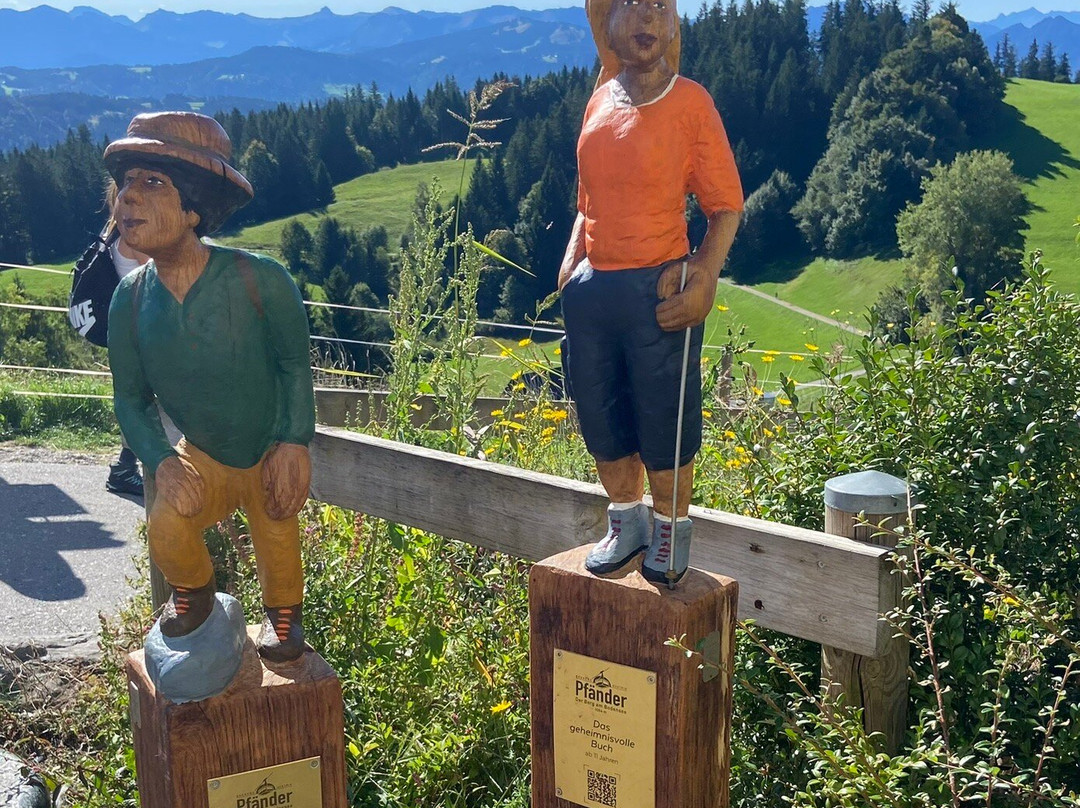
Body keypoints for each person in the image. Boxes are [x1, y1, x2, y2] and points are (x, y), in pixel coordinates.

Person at [105, 111, 316, 663]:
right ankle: (194, 596)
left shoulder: (259, 279)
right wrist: (160, 460)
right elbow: (129, 399)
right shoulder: (130, 301)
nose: (128, 197)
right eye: (126, 182)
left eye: (153, 183)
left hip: (267, 447)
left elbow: (295, 366)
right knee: (167, 524)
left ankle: (283, 617)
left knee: (277, 524)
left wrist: (293, 442)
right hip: (200, 454)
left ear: (193, 208)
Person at [560, 0, 743, 584]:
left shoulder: (690, 103)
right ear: (606, 23)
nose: (645, 18)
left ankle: (669, 527)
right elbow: (587, 199)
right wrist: (573, 262)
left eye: (659, 6)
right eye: (632, 5)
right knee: (602, 415)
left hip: (658, 291)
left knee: (665, 421)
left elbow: (725, 205)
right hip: (595, 291)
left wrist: (703, 272)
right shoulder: (600, 98)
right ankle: (624, 520)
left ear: (673, 23)